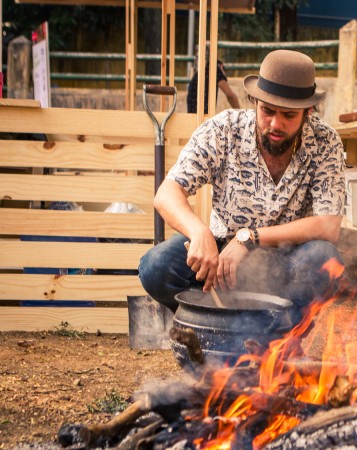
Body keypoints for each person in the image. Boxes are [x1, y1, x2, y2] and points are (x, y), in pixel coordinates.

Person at [139, 50, 346, 322]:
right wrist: (198, 231)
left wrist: (249, 238)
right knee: (156, 266)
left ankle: (278, 340)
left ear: (308, 112)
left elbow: (328, 225)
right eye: (267, 111)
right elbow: (167, 194)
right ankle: (213, 329)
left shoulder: (325, 142)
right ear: (254, 101)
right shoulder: (223, 129)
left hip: (288, 261)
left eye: (288, 115)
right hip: (220, 253)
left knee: (324, 259)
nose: (275, 123)